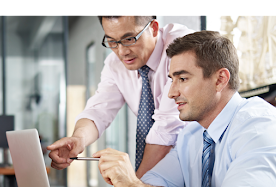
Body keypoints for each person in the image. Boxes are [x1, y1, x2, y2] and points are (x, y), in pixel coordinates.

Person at [94, 31, 276, 187]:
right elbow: (154, 182)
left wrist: (133, 186)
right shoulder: (192, 135)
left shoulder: (262, 132)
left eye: (182, 78)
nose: (171, 93)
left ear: (220, 80)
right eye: (172, 79)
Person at [48, 15, 194, 179]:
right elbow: (99, 110)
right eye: (112, 41)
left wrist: (134, 183)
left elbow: (167, 128)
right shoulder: (115, 64)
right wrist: (78, 139)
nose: (122, 51)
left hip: (195, 161)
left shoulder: (181, 48)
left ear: (153, 28)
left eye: (129, 39)